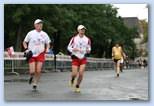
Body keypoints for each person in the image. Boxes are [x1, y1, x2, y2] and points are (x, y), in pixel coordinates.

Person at [23, 19, 51, 90]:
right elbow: (24, 42)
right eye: (38, 24)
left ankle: (35, 83)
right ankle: (31, 77)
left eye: (41, 24)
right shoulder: (31, 33)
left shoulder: (44, 34)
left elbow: (48, 43)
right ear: (35, 25)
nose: (40, 25)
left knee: (38, 70)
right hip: (31, 54)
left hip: (40, 54)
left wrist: (47, 48)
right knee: (32, 71)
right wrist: (26, 49)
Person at [67, 25, 91, 93]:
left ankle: (77, 86)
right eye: (81, 29)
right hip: (75, 57)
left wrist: (88, 50)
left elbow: (89, 47)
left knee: (81, 73)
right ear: (78, 30)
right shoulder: (74, 38)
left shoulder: (87, 39)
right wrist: (73, 49)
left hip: (83, 57)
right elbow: (68, 47)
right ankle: (72, 79)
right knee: (74, 74)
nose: (82, 31)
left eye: (84, 30)